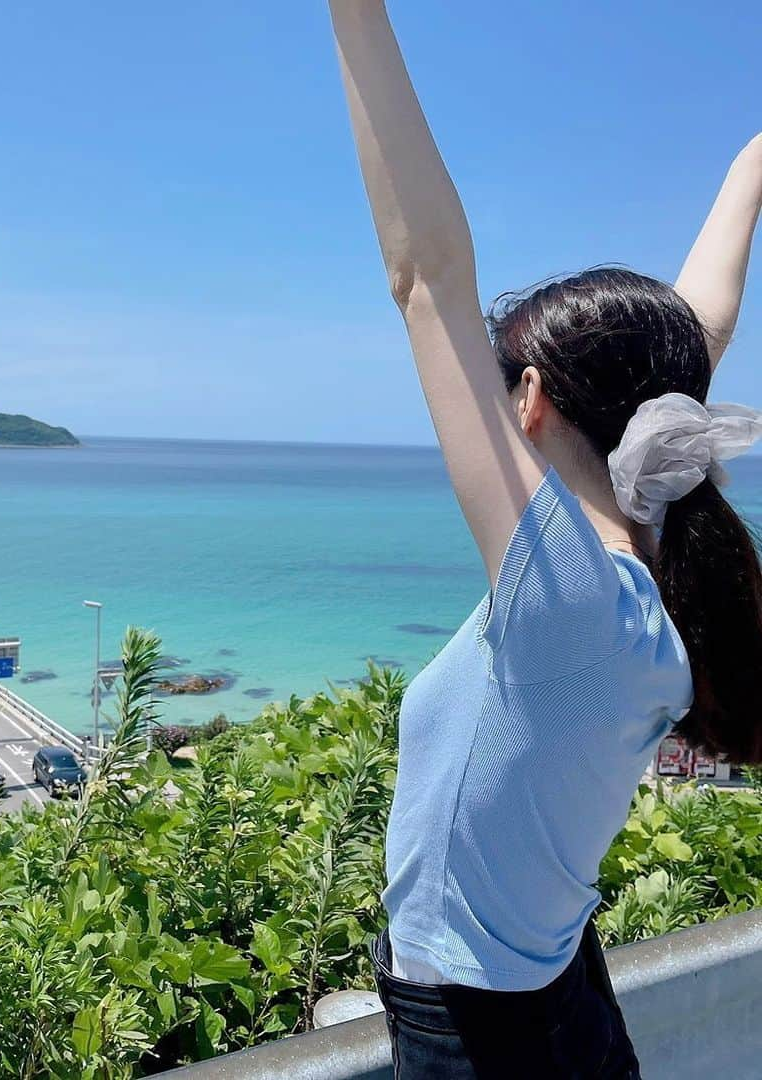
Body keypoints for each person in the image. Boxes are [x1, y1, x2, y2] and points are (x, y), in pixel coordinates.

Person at [326, 2, 762, 1076]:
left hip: (484, 1034)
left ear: (528, 401)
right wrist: (752, 166)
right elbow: (693, 324)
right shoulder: (644, 552)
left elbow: (423, 275)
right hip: (559, 989)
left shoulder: (566, 592)